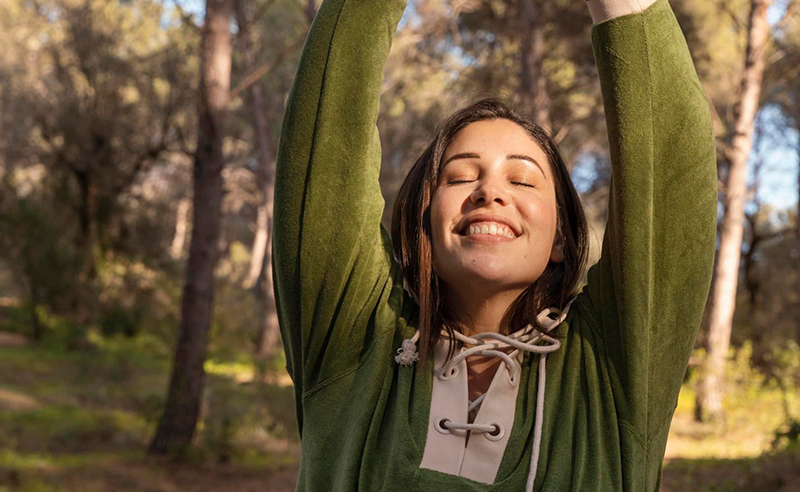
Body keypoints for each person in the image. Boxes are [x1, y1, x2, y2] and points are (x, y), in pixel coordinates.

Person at [273, 0, 718, 490]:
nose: (490, 191)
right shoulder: (355, 341)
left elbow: (672, 176)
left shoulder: (612, 372)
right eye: (461, 176)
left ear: (561, 241)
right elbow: (325, 147)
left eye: (523, 181)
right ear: (425, 220)